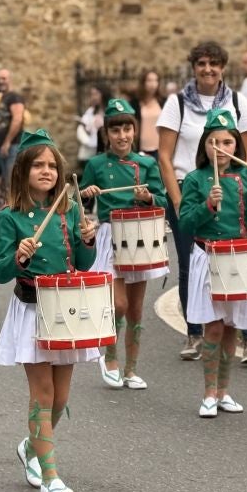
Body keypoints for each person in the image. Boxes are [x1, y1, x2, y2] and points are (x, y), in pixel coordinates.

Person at [0, 129, 98, 492]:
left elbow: (83, 264)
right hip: (33, 309)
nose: (47, 171)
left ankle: (31, 446)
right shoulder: (10, 218)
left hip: (64, 310)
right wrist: (19, 255)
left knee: (62, 397)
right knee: (43, 393)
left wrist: (87, 241)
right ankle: (51, 476)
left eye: (52, 165)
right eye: (38, 164)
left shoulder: (67, 213)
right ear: (22, 171)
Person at [157, 41, 247, 361]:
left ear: (223, 68)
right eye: (202, 63)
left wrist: (245, 187)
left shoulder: (238, 102)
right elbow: (163, 155)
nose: (208, 69)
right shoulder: (177, 103)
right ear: (194, 67)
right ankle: (195, 333)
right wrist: (177, 200)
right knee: (191, 264)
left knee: (236, 257)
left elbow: (246, 153)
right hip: (190, 188)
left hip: (230, 190)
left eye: (214, 63)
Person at [178, 108, 247, 417]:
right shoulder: (194, 179)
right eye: (214, 142)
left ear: (236, 146)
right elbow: (186, 223)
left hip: (239, 258)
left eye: (227, 142)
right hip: (208, 255)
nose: (220, 148)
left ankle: (224, 392)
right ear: (205, 145)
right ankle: (208, 393)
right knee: (214, 328)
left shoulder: (246, 175)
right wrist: (208, 205)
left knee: (231, 328)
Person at [79, 98, 168, 390]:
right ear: (107, 134)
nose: (122, 136)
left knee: (136, 310)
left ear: (135, 130)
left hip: (140, 237)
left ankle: (131, 370)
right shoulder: (95, 164)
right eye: (115, 130)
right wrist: (86, 193)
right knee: (118, 303)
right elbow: (75, 201)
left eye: (127, 129)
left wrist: (148, 198)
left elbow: (164, 200)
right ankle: (111, 357)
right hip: (109, 235)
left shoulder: (147, 163)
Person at [0, 69, 26, 198]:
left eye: (4, 78)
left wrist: (7, 142)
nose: (0, 81)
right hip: (3, 146)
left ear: (10, 79)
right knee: (5, 182)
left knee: (12, 182)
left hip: (13, 145)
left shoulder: (14, 97)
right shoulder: (0, 97)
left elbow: (17, 119)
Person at [130, 70, 165, 161]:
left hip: (160, 149)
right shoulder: (135, 103)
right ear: (143, 83)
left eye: (156, 80)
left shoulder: (163, 102)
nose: (153, 84)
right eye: (149, 80)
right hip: (141, 149)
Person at [76, 84, 110, 177]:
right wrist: (88, 141)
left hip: (105, 151)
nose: (93, 97)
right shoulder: (90, 111)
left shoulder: (109, 111)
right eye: (92, 94)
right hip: (90, 152)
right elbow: (81, 128)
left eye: (96, 94)